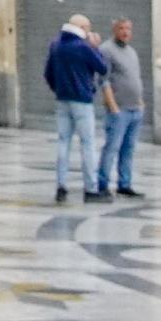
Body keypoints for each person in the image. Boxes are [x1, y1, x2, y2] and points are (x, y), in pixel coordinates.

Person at [44, 15, 111, 205]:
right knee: (87, 144)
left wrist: (58, 88)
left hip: (62, 99)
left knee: (63, 142)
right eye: (88, 28)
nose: (90, 32)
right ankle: (90, 189)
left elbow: (48, 73)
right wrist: (95, 47)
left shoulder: (56, 44)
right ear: (82, 27)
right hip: (82, 100)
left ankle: (61, 186)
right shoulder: (82, 47)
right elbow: (102, 67)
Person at [93, 17, 148, 201]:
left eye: (128, 29)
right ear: (114, 30)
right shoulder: (106, 50)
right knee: (112, 147)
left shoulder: (131, 52)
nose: (125, 32)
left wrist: (140, 101)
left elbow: (135, 77)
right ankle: (102, 184)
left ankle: (124, 184)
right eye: (121, 28)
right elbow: (103, 79)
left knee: (129, 148)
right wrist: (112, 105)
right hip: (119, 110)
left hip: (135, 109)